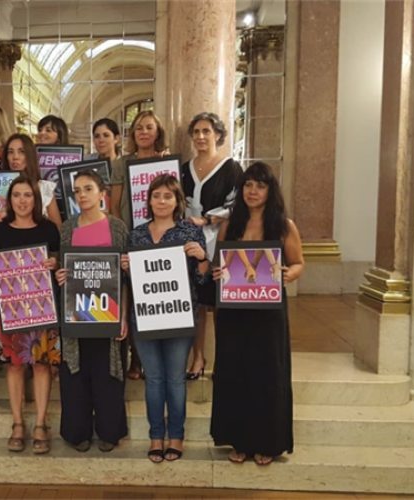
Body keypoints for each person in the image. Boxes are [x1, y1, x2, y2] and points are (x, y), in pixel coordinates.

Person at [210, 162, 304, 466]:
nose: (252, 191)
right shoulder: (229, 225)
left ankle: (268, 442)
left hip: (268, 312)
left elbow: (299, 263)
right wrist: (218, 273)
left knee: (267, 374)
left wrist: (289, 275)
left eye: (259, 186)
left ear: (269, 190)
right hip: (234, 313)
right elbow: (221, 264)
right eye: (248, 185)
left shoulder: (284, 226)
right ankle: (238, 440)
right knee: (235, 373)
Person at [120, 174, 209, 463]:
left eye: (167, 196)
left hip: (180, 316)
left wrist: (202, 259)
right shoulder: (136, 235)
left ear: (177, 201)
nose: (161, 201)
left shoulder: (189, 232)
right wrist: (125, 267)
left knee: (175, 379)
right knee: (154, 380)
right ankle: (156, 437)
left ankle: (177, 437)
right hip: (144, 317)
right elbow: (132, 282)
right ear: (148, 200)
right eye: (156, 196)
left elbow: (202, 279)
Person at [0, 176, 60, 454]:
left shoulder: (49, 228)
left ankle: (40, 423)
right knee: (14, 365)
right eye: (17, 195)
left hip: (43, 307)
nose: (23, 200)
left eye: (28, 195)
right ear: (10, 199)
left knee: (41, 364)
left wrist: (56, 262)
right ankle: (17, 422)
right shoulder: (0, 230)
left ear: (36, 199)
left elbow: (60, 260)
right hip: (10, 309)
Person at [55, 170, 129, 452]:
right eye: (77, 190)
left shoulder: (118, 228)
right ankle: (78, 433)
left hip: (108, 316)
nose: (82, 195)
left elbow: (124, 279)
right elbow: (64, 269)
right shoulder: (67, 228)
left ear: (102, 194)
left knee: (107, 374)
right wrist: (61, 277)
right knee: (76, 374)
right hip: (76, 314)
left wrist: (123, 316)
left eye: (88, 189)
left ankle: (109, 433)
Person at [181, 112, 243, 380]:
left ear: (218, 134)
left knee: (219, 303)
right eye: (196, 132)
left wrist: (208, 218)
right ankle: (198, 358)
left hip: (220, 241)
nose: (201, 137)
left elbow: (238, 206)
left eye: (206, 131)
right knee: (195, 304)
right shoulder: (184, 168)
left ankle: (223, 360)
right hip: (190, 243)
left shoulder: (231, 168)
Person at [108, 110, 168, 380]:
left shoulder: (165, 162)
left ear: (158, 132)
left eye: (149, 127)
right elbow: (113, 203)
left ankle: (155, 357)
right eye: (138, 128)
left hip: (159, 240)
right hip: (131, 238)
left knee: (155, 297)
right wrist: (123, 236)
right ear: (132, 134)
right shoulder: (122, 163)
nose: (144, 132)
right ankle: (135, 358)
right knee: (131, 300)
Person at [2, 134, 63, 229]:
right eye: (10, 152)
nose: (15, 157)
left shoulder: (44, 188)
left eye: (21, 152)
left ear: (30, 156)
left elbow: (58, 229)